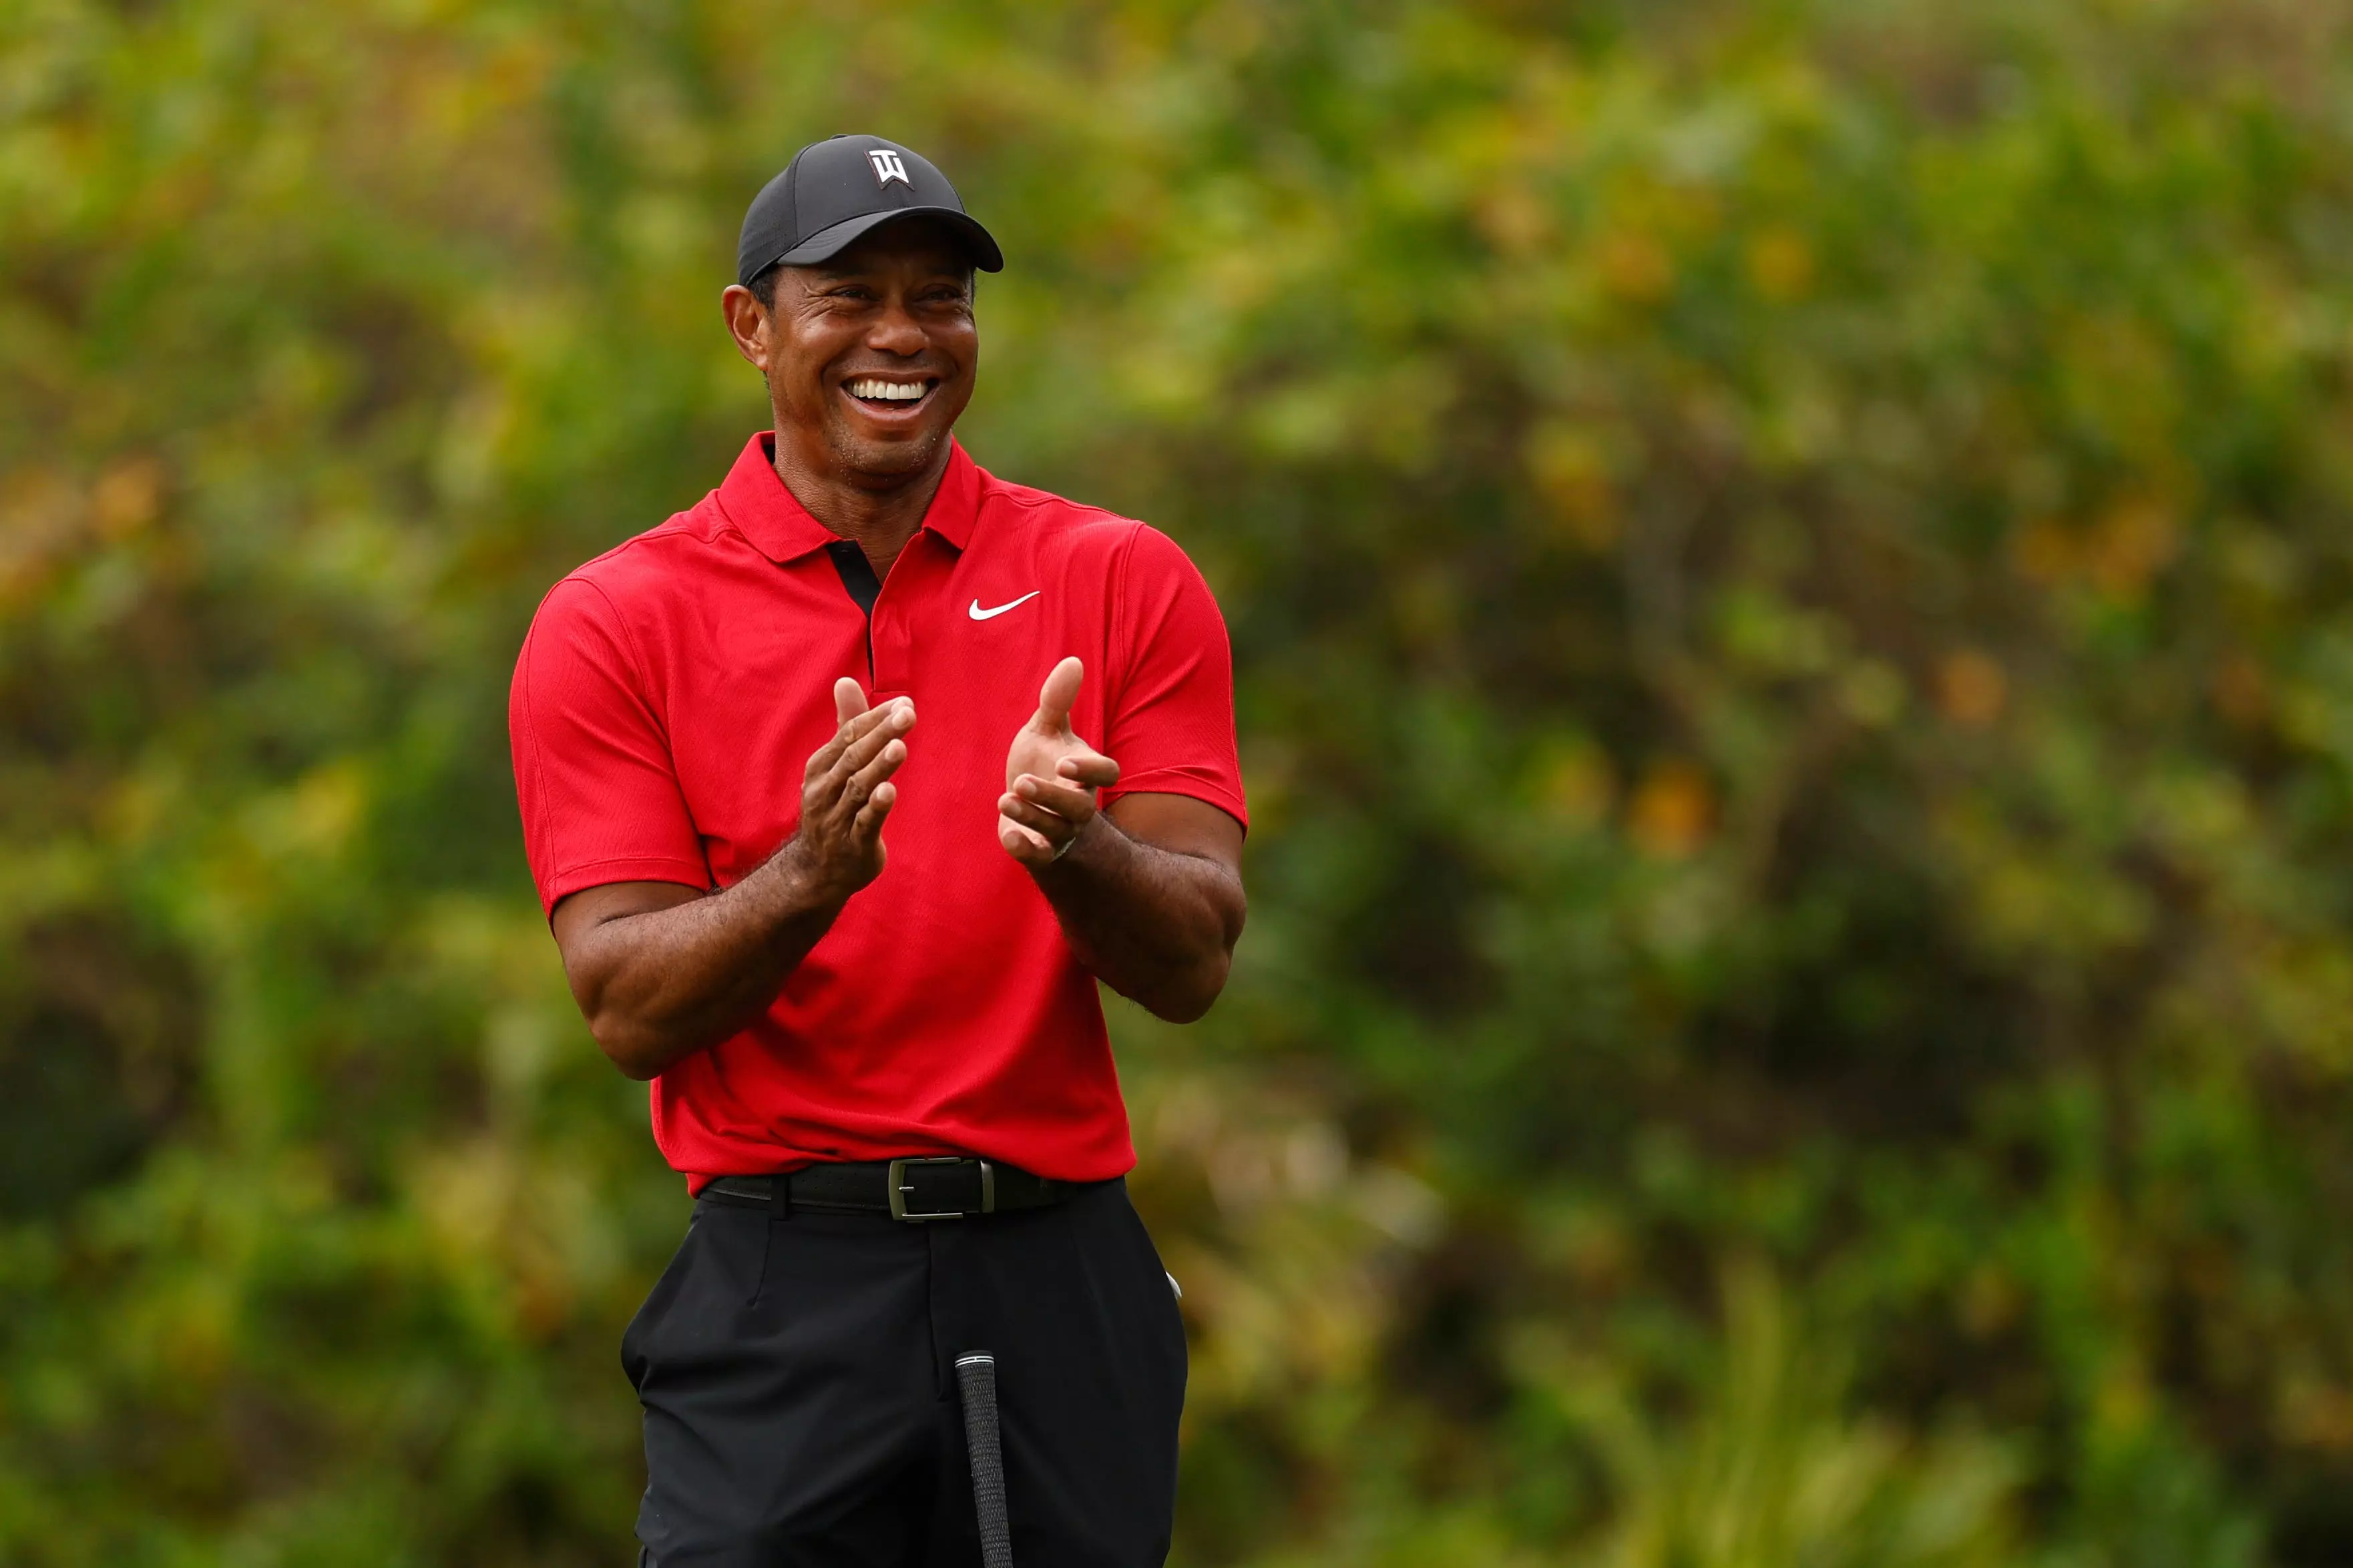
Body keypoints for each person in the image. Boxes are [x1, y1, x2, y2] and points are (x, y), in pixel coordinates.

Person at [507, 134, 1247, 1566]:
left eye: (940, 296)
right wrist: (810, 875)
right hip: (788, 1280)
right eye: (848, 295)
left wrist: (1073, 845)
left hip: (1058, 1267)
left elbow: (1198, 957)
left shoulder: (1116, 576)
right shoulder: (615, 619)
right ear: (753, 326)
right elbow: (625, 1004)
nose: (901, 335)